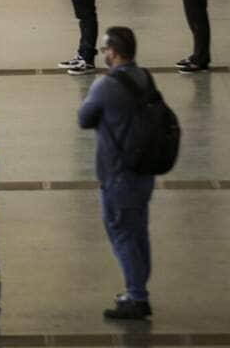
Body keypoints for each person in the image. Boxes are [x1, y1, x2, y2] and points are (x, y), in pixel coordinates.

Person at [78, 26, 156, 320]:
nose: (103, 55)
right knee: (138, 231)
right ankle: (138, 288)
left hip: (117, 172)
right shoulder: (144, 77)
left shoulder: (105, 85)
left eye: (104, 50)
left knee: (121, 232)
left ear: (114, 51)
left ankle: (137, 296)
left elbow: (84, 118)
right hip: (143, 169)